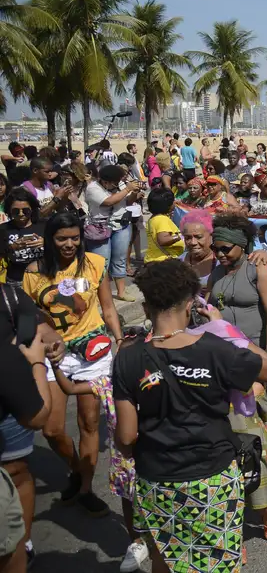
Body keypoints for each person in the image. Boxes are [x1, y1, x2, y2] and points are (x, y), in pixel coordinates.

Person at [112, 259, 267, 573]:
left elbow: (126, 437)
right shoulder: (215, 348)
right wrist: (225, 328)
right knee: (216, 564)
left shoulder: (127, 357)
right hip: (212, 477)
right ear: (190, 304)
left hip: (156, 479)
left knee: (165, 560)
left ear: (146, 307)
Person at [24, 211, 123, 520]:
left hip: (93, 352)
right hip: (54, 355)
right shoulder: (34, 272)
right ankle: (77, 469)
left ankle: (85, 489)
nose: (69, 244)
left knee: (89, 423)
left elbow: (107, 307)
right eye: (61, 238)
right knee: (52, 429)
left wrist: (119, 341)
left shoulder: (95, 263)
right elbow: (30, 317)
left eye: (74, 238)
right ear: (49, 240)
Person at [48, 328, 148, 572]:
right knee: (128, 498)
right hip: (124, 458)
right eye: (119, 359)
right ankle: (135, 541)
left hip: (151, 456)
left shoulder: (151, 381)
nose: (122, 364)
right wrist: (56, 366)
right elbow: (71, 389)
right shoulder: (107, 383)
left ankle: (161, 537)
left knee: (154, 498)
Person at [0, 290, 54, 573]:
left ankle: (24, 540)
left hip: (13, 403)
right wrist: (36, 362)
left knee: (17, 472)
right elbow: (39, 416)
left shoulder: (10, 295)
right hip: (23, 391)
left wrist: (52, 342)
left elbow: (41, 326)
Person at [207, 214, 267, 352]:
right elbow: (207, 309)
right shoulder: (216, 273)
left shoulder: (258, 268)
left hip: (253, 348)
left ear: (241, 245)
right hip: (222, 349)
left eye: (225, 249)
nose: (219, 254)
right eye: (215, 249)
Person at [82, 165, 141, 301]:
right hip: (99, 229)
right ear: (105, 181)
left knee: (119, 259)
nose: (117, 184)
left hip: (121, 226)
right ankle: (97, 295)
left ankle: (121, 292)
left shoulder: (119, 184)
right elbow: (108, 202)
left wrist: (134, 193)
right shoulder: (93, 188)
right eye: (114, 182)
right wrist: (127, 189)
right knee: (101, 264)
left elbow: (126, 201)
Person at [0, 190, 43, 286]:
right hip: (15, 281)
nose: (21, 214)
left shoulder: (44, 226)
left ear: (32, 209)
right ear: (9, 211)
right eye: (15, 211)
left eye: (25, 210)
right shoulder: (3, 229)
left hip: (41, 278)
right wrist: (12, 247)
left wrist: (46, 243)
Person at [144, 188, 184, 262]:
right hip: (163, 262)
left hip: (154, 259)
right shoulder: (162, 219)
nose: (174, 202)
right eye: (173, 201)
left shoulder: (154, 218)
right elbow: (163, 240)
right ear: (167, 205)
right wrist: (181, 236)